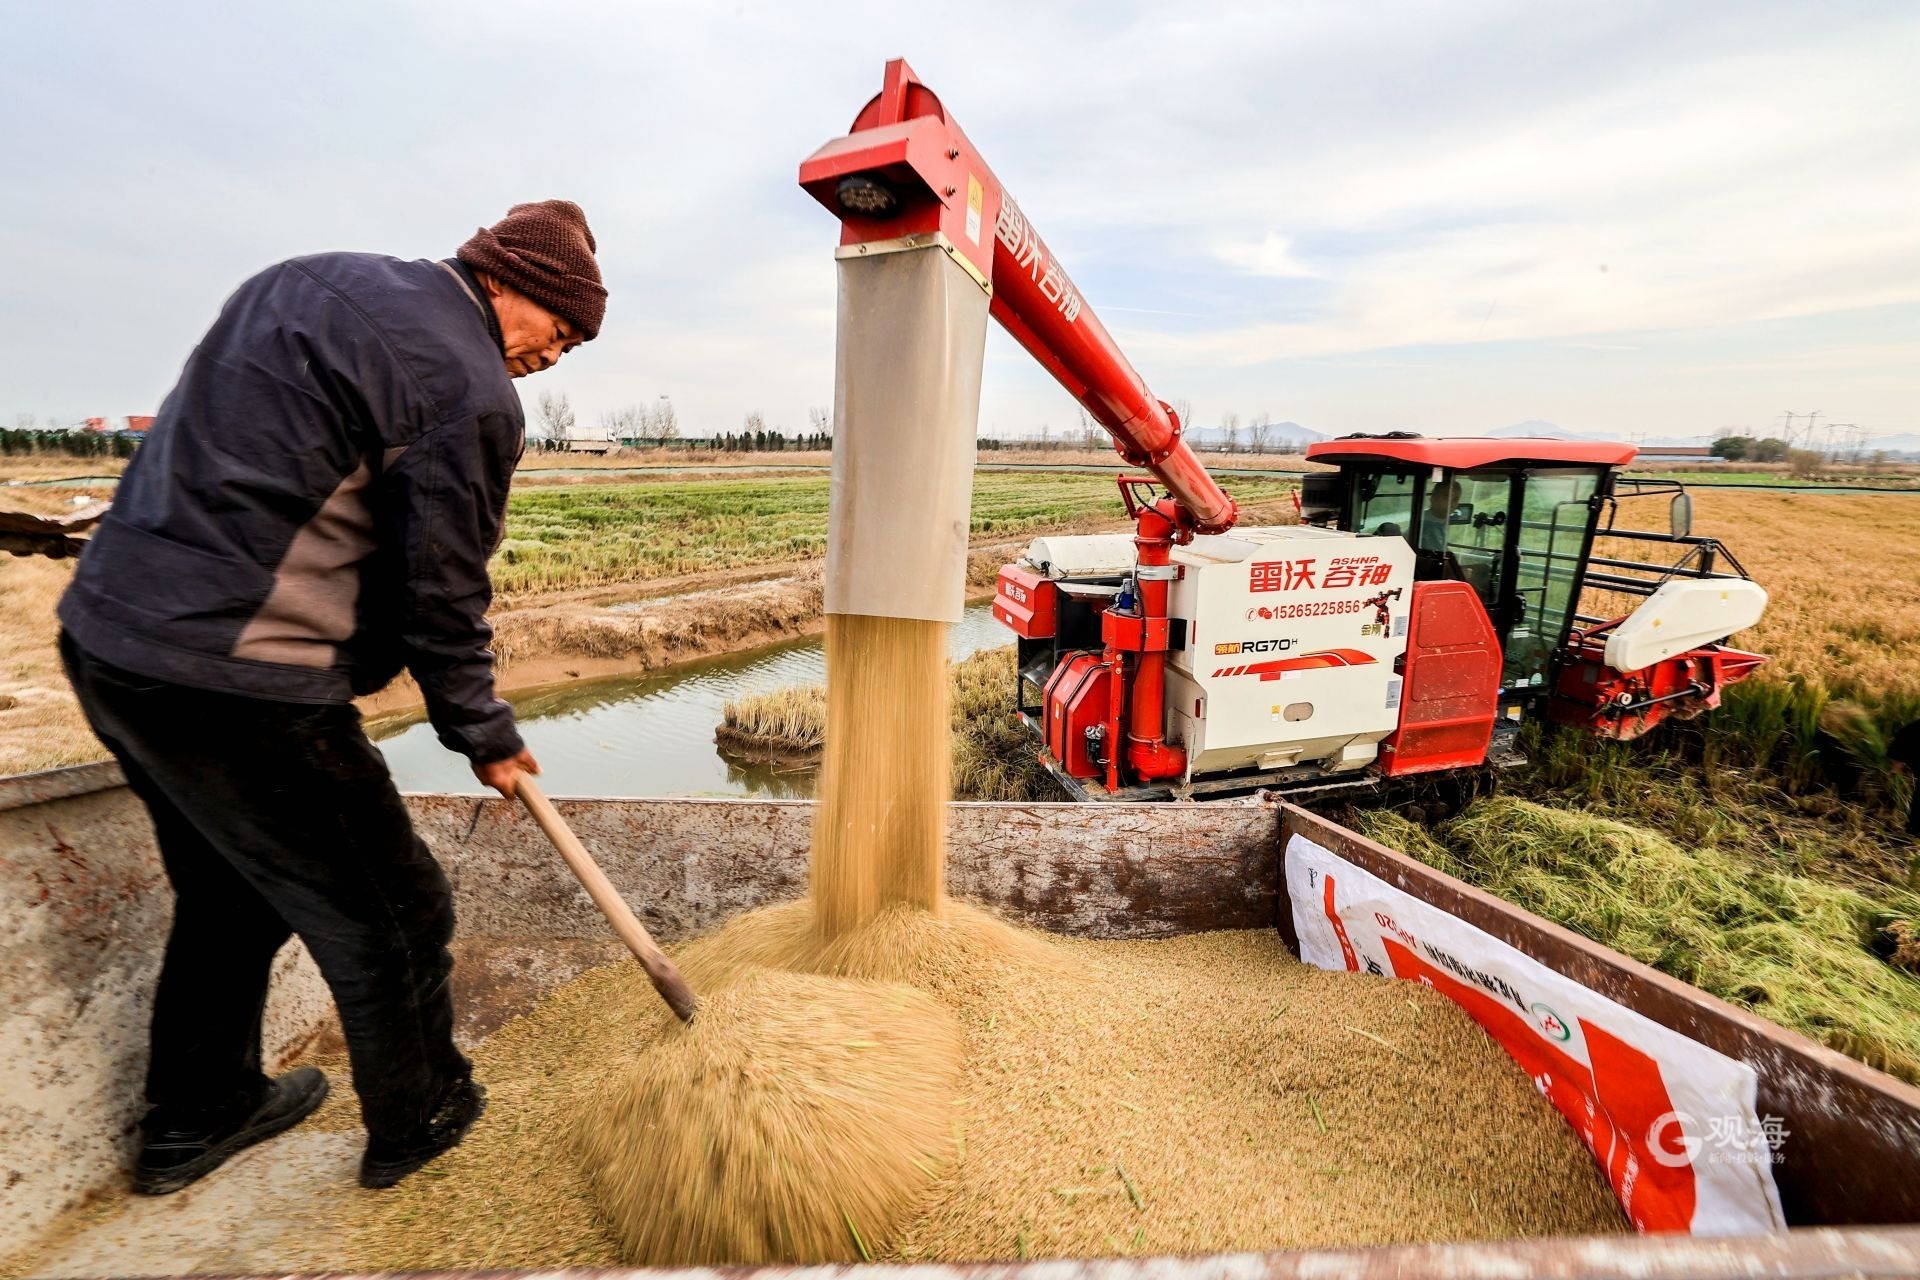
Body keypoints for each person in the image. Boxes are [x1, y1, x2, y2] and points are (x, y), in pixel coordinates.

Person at [57, 200, 605, 1193]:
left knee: (235, 888)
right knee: (395, 906)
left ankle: (197, 1113)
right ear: (510, 280)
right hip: (236, 679)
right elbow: (441, 585)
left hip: (107, 641)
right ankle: (422, 1114)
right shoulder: (467, 385)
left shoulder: (304, 279)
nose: (554, 357)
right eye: (559, 330)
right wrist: (480, 726)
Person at [1418, 476, 1462, 555]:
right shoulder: (1427, 526)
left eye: (1455, 499)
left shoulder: (1440, 522)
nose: (1451, 504)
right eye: (1446, 497)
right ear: (1433, 498)